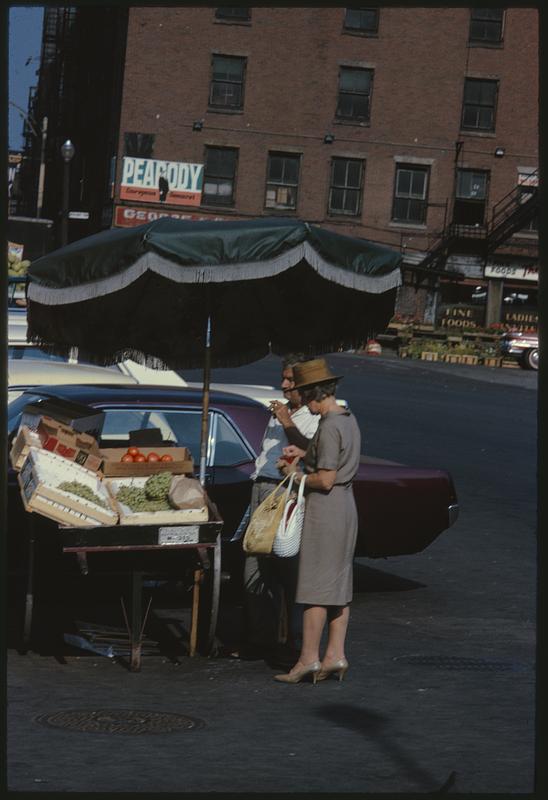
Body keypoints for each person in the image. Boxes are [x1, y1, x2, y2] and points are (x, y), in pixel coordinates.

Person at [273, 357, 361, 684]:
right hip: (346, 507)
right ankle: (335, 655)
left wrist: (294, 475)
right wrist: (305, 454)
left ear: (313, 394)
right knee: (339, 585)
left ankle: (307, 660)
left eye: (302, 394)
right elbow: (331, 456)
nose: (300, 402)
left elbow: (324, 479)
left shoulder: (329, 424)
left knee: (313, 588)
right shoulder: (348, 419)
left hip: (327, 508)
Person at [238, 354, 320, 663]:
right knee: (254, 569)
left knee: (291, 569)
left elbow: (313, 452)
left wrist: (287, 421)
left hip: (288, 492)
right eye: (283, 378)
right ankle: (262, 637)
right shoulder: (280, 411)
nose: (283, 385)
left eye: (290, 380)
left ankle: (297, 644)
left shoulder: (313, 415)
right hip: (262, 488)